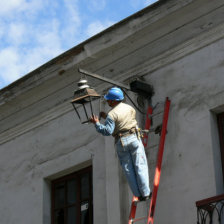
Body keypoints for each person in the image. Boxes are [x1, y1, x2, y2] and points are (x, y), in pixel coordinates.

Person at [90, 87, 151, 201]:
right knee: (140, 165)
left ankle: (138, 195)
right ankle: (146, 193)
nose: (108, 102)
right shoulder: (129, 108)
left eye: (109, 100)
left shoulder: (111, 114)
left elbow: (107, 131)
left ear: (113, 100)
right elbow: (123, 120)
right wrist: (106, 116)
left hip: (121, 142)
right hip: (133, 138)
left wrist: (97, 123)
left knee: (129, 170)